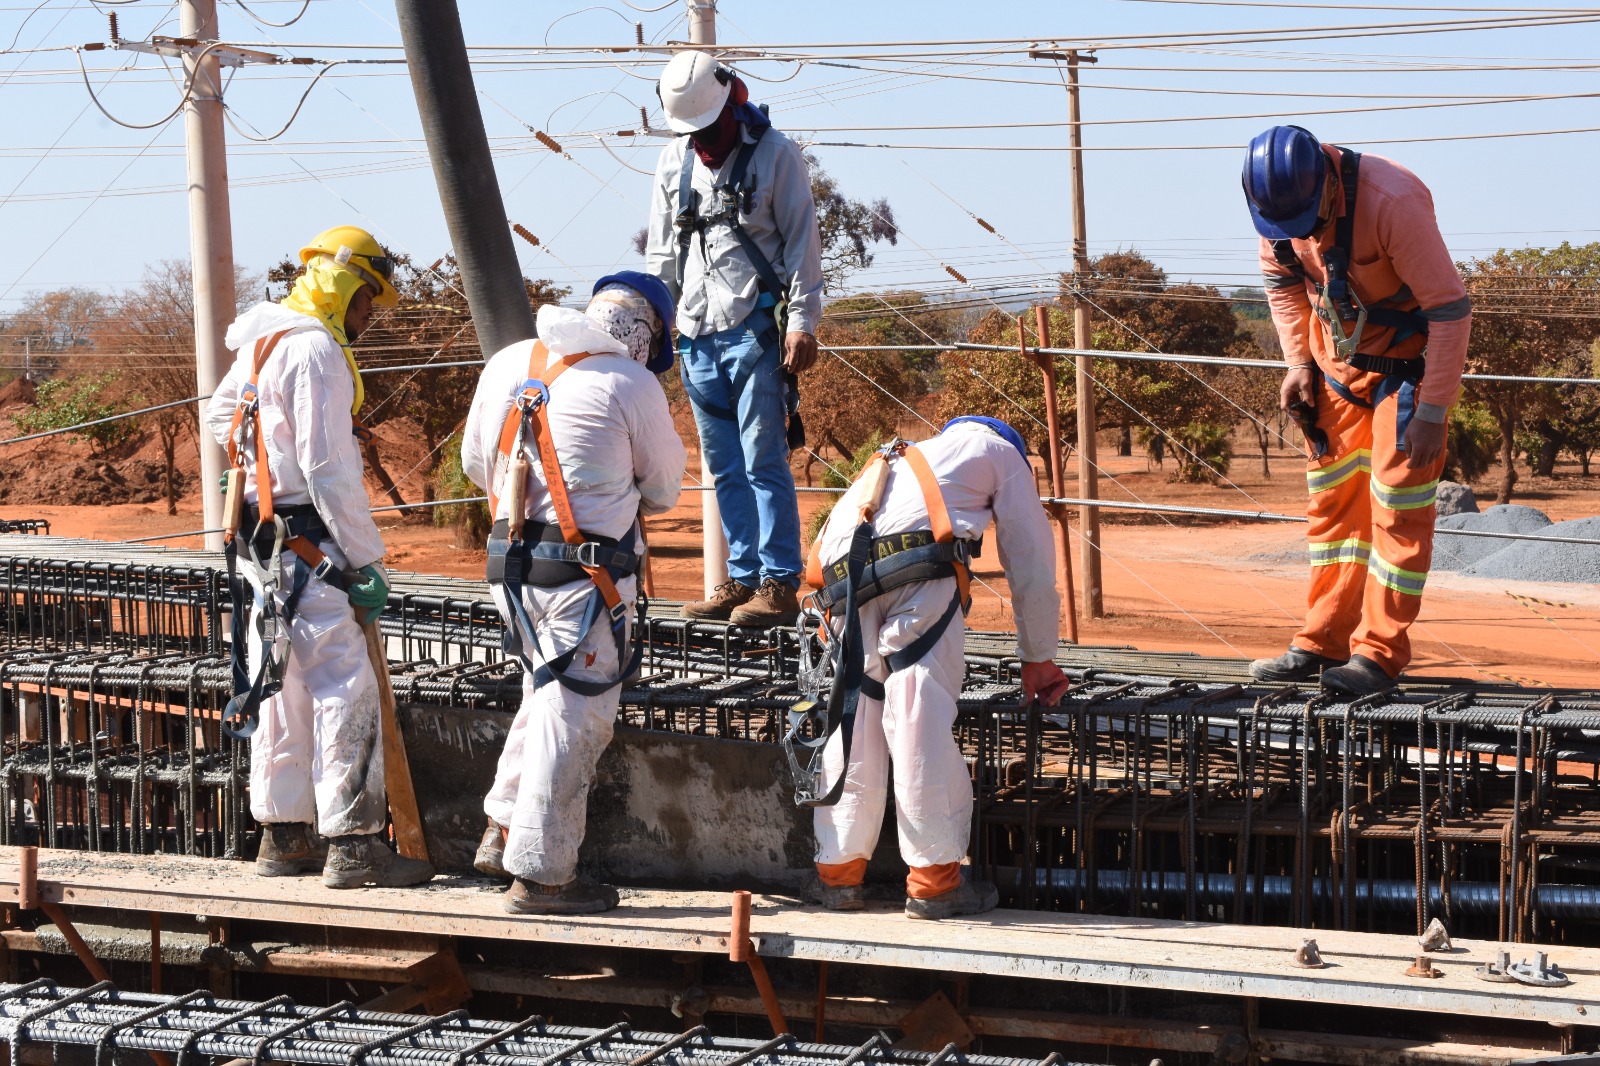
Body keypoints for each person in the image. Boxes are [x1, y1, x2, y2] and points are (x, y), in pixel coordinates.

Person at [206, 225, 434, 889]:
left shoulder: (262, 342)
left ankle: (283, 837)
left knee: (279, 683)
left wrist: (251, 470)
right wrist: (366, 561)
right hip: (312, 539)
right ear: (346, 287)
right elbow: (329, 468)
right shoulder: (316, 351)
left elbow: (222, 417)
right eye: (368, 302)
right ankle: (356, 845)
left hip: (260, 540)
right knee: (345, 684)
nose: (368, 318)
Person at [461, 273, 685, 915]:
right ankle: (543, 876)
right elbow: (666, 489)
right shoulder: (630, 381)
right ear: (645, 336)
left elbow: (480, 466)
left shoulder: (511, 361)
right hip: (588, 581)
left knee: (545, 694)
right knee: (576, 717)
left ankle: (502, 826)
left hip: (511, 567)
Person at [801, 417, 1070, 920]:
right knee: (916, 713)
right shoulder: (999, 452)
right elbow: (1030, 559)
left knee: (853, 722)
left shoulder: (894, 458)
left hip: (840, 586)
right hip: (919, 573)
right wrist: (1038, 659)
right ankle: (935, 883)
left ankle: (837, 878)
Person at [1242, 126, 1472, 696]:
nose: (1304, 236)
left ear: (1326, 183)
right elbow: (1283, 287)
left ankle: (1379, 656)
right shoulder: (1276, 209)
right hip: (1335, 368)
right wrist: (1298, 363)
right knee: (1334, 508)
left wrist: (1434, 411)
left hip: (1408, 368)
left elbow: (1450, 312)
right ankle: (1322, 642)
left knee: (1398, 504)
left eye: (1310, 222)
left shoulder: (1392, 201)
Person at [645, 51, 824, 629]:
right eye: (690, 131)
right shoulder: (674, 161)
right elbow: (661, 256)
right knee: (723, 467)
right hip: (696, 335)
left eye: (706, 128)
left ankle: (778, 582)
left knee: (763, 459)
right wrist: (650, 326)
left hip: (754, 331)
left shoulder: (776, 155)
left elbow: (801, 247)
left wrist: (802, 322)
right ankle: (742, 577)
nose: (700, 140)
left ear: (730, 104)